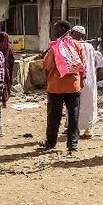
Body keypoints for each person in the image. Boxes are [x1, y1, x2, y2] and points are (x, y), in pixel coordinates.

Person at [40, 21, 86, 153]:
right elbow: (83, 65)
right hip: (73, 86)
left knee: (54, 116)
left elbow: (47, 65)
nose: (53, 30)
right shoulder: (77, 44)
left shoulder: (55, 46)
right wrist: (80, 82)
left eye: (55, 28)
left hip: (56, 87)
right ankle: (72, 144)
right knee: (74, 116)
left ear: (62, 29)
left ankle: (51, 143)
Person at [69, 25, 103, 138]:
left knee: (74, 104)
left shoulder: (72, 45)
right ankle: (88, 129)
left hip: (75, 80)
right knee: (89, 104)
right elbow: (99, 62)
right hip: (89, 80)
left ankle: (75, 127)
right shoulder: (89, 47)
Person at [0, 32, 16, 106]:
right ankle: (4, 100)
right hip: (6, 68)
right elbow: (12, 59)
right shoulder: (9, 47)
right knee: (6, 83)